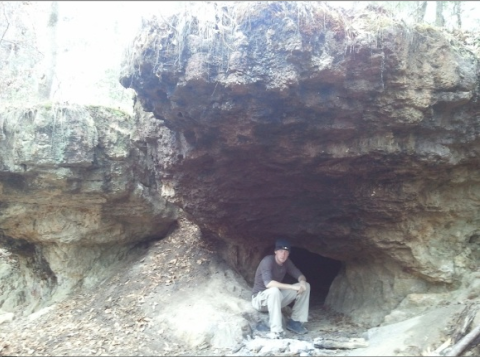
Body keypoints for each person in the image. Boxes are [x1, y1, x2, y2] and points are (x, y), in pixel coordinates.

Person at [251, 238, 311, 338]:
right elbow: (269, 284)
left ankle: (295, 322)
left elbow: (300, 275)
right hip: (260, 300)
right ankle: (276, 331)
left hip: (275, 299)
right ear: (275, 252)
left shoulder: (287, 262)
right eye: (281, 251)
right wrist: (292, 287)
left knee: (306, 286)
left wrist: (302, 282)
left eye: (286, 252)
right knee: (274, 290)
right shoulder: (267, 261)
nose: (283, 254)